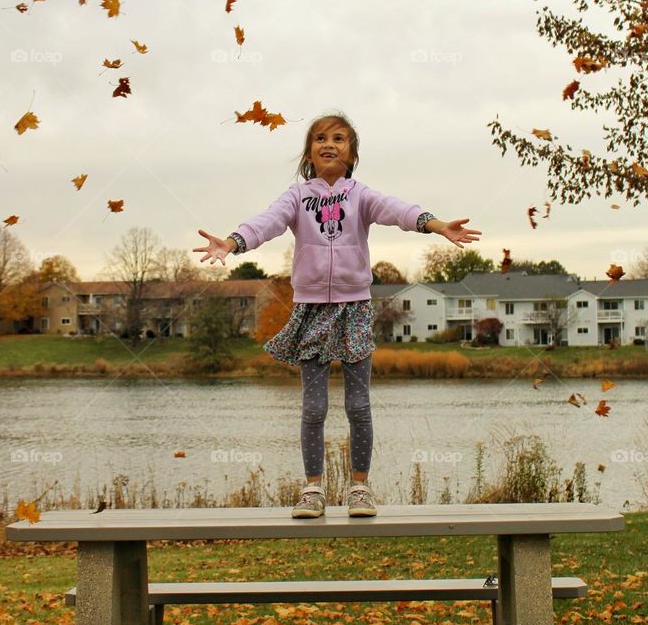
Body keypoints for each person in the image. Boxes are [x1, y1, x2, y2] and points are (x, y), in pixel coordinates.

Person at [192, 111, 481, 520]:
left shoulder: (360, 196)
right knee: (314, 408)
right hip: (311, 310)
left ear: (352, 154)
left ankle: (359, 488)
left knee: (358, 406)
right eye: (321, 138)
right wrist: (233, 242)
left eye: (339, 139)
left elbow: (398, 210)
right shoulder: (296, 197)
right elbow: (266, 222)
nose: (329, 144)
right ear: (309, 152)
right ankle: (313, 489)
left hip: (354, 309)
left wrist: (436, 226)